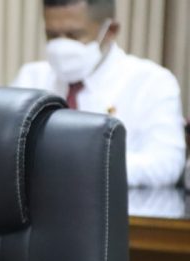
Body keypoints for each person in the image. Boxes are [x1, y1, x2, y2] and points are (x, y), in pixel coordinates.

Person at [12, 0, 186, 188]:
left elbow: (166, 164)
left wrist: (85, 165)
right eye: (52, 36)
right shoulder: (31, 78)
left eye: (74, 35)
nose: (61, 46)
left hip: (120, 204)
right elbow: (5, 152)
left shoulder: (152, 82)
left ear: (110, 31)